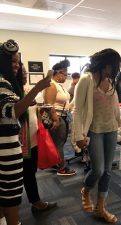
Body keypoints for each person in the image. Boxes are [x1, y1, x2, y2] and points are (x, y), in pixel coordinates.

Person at [0, 39, 50, 225]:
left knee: (3, 194)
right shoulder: (2, 82)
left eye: (17, 62)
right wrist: (38, 87)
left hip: (6, 145)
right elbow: (11, 112)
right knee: (11, 195)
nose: (16, 66)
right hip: (6, 148)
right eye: (12, 61)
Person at [73, 48, 121, 223]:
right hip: (94, 131)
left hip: (111, 130)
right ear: (106, 64)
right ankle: (86, 190)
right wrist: (78, 135)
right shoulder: (86, 80)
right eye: (116, 65)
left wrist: (120, 122)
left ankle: (100, 207)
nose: (117, 69)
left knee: (107, 172)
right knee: (98, 169)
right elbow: (77, 110)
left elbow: (114, 106)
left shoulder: (110, 81)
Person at [20, 63, 57, 213]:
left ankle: (36, 201)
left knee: (30, 172)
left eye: (24, 71)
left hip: (32, 140)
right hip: (19, 143)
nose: (23, 73)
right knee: (15, 178)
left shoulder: (26, 90)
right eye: (16, 67)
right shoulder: (10, 91)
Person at [44, 59, 76, 176]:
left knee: (58, 142)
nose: (66, 76)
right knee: (59, 144)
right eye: (65, 73)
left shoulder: (59, 86)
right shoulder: (51, 85)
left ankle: (56, 162)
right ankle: (62, 168)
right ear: (58, 73)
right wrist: (55, 119)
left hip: (63, 116)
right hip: (57, 117)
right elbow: (48, 104)